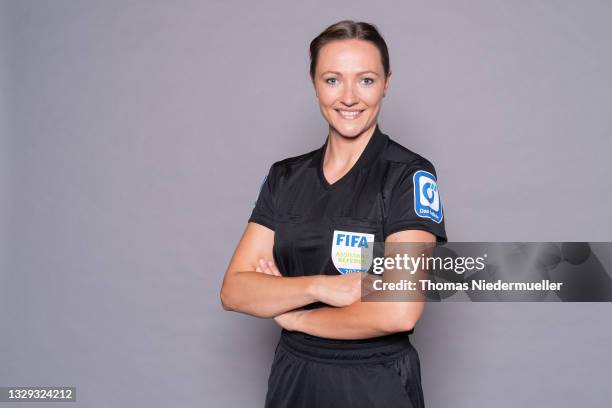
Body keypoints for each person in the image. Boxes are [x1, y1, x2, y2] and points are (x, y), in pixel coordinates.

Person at [220, 20, 447, 408]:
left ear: (387, 83)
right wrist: (319, 288)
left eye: (366, 80)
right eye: (332, 80)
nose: (348, 97)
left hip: (374, 382)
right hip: (293, 379)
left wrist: (298, 318)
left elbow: (398, 310)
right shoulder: (285, 177)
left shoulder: (408, 175)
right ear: (314, 83)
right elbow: (235, 290)